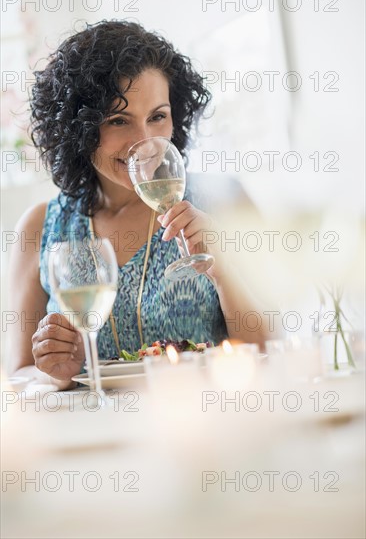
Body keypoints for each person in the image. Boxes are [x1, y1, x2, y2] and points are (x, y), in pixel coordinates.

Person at [9, 20, 267, 389]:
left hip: (208, 429)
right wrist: (53, 374)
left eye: (157, 117)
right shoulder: (39, 228)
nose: (143, 142)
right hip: (94, 439)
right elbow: (18, 373)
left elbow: (269, 353)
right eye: (118, 120)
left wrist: (224, 270)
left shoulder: (225, 201)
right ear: (79, 128)